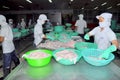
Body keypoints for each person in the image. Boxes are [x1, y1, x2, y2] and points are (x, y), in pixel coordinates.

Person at [0, 15, 20, 79]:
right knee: (14, 57)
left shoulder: (3, 28)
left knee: (6, 62)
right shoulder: (7, 26)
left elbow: (1, 39)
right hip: (11, 46)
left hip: (7, 48)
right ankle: (18, 65)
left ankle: (7, 76)